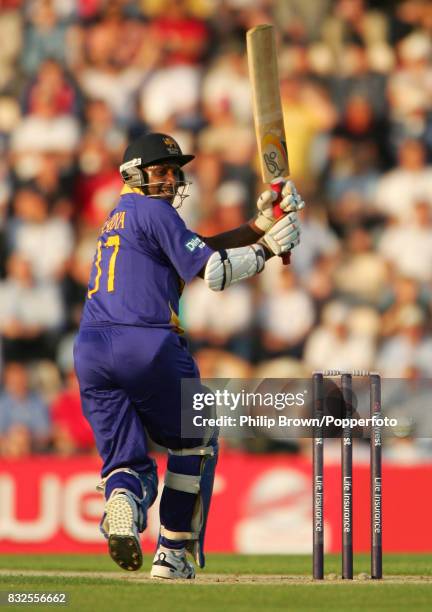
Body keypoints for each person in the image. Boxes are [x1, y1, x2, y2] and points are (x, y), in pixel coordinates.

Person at [73, 132, 304, 579]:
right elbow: (213, 273)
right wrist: (267, 250)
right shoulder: (154, 210)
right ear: (133, 175)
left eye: (174, 172)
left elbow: (198, 250)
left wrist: (258, 226)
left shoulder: (120, 217)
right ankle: (173, 554)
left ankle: (122, 502)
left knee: (126, 462)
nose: (170, 180)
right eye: (160, 171)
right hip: (147, 342)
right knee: (195, 439)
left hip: (91, 351)